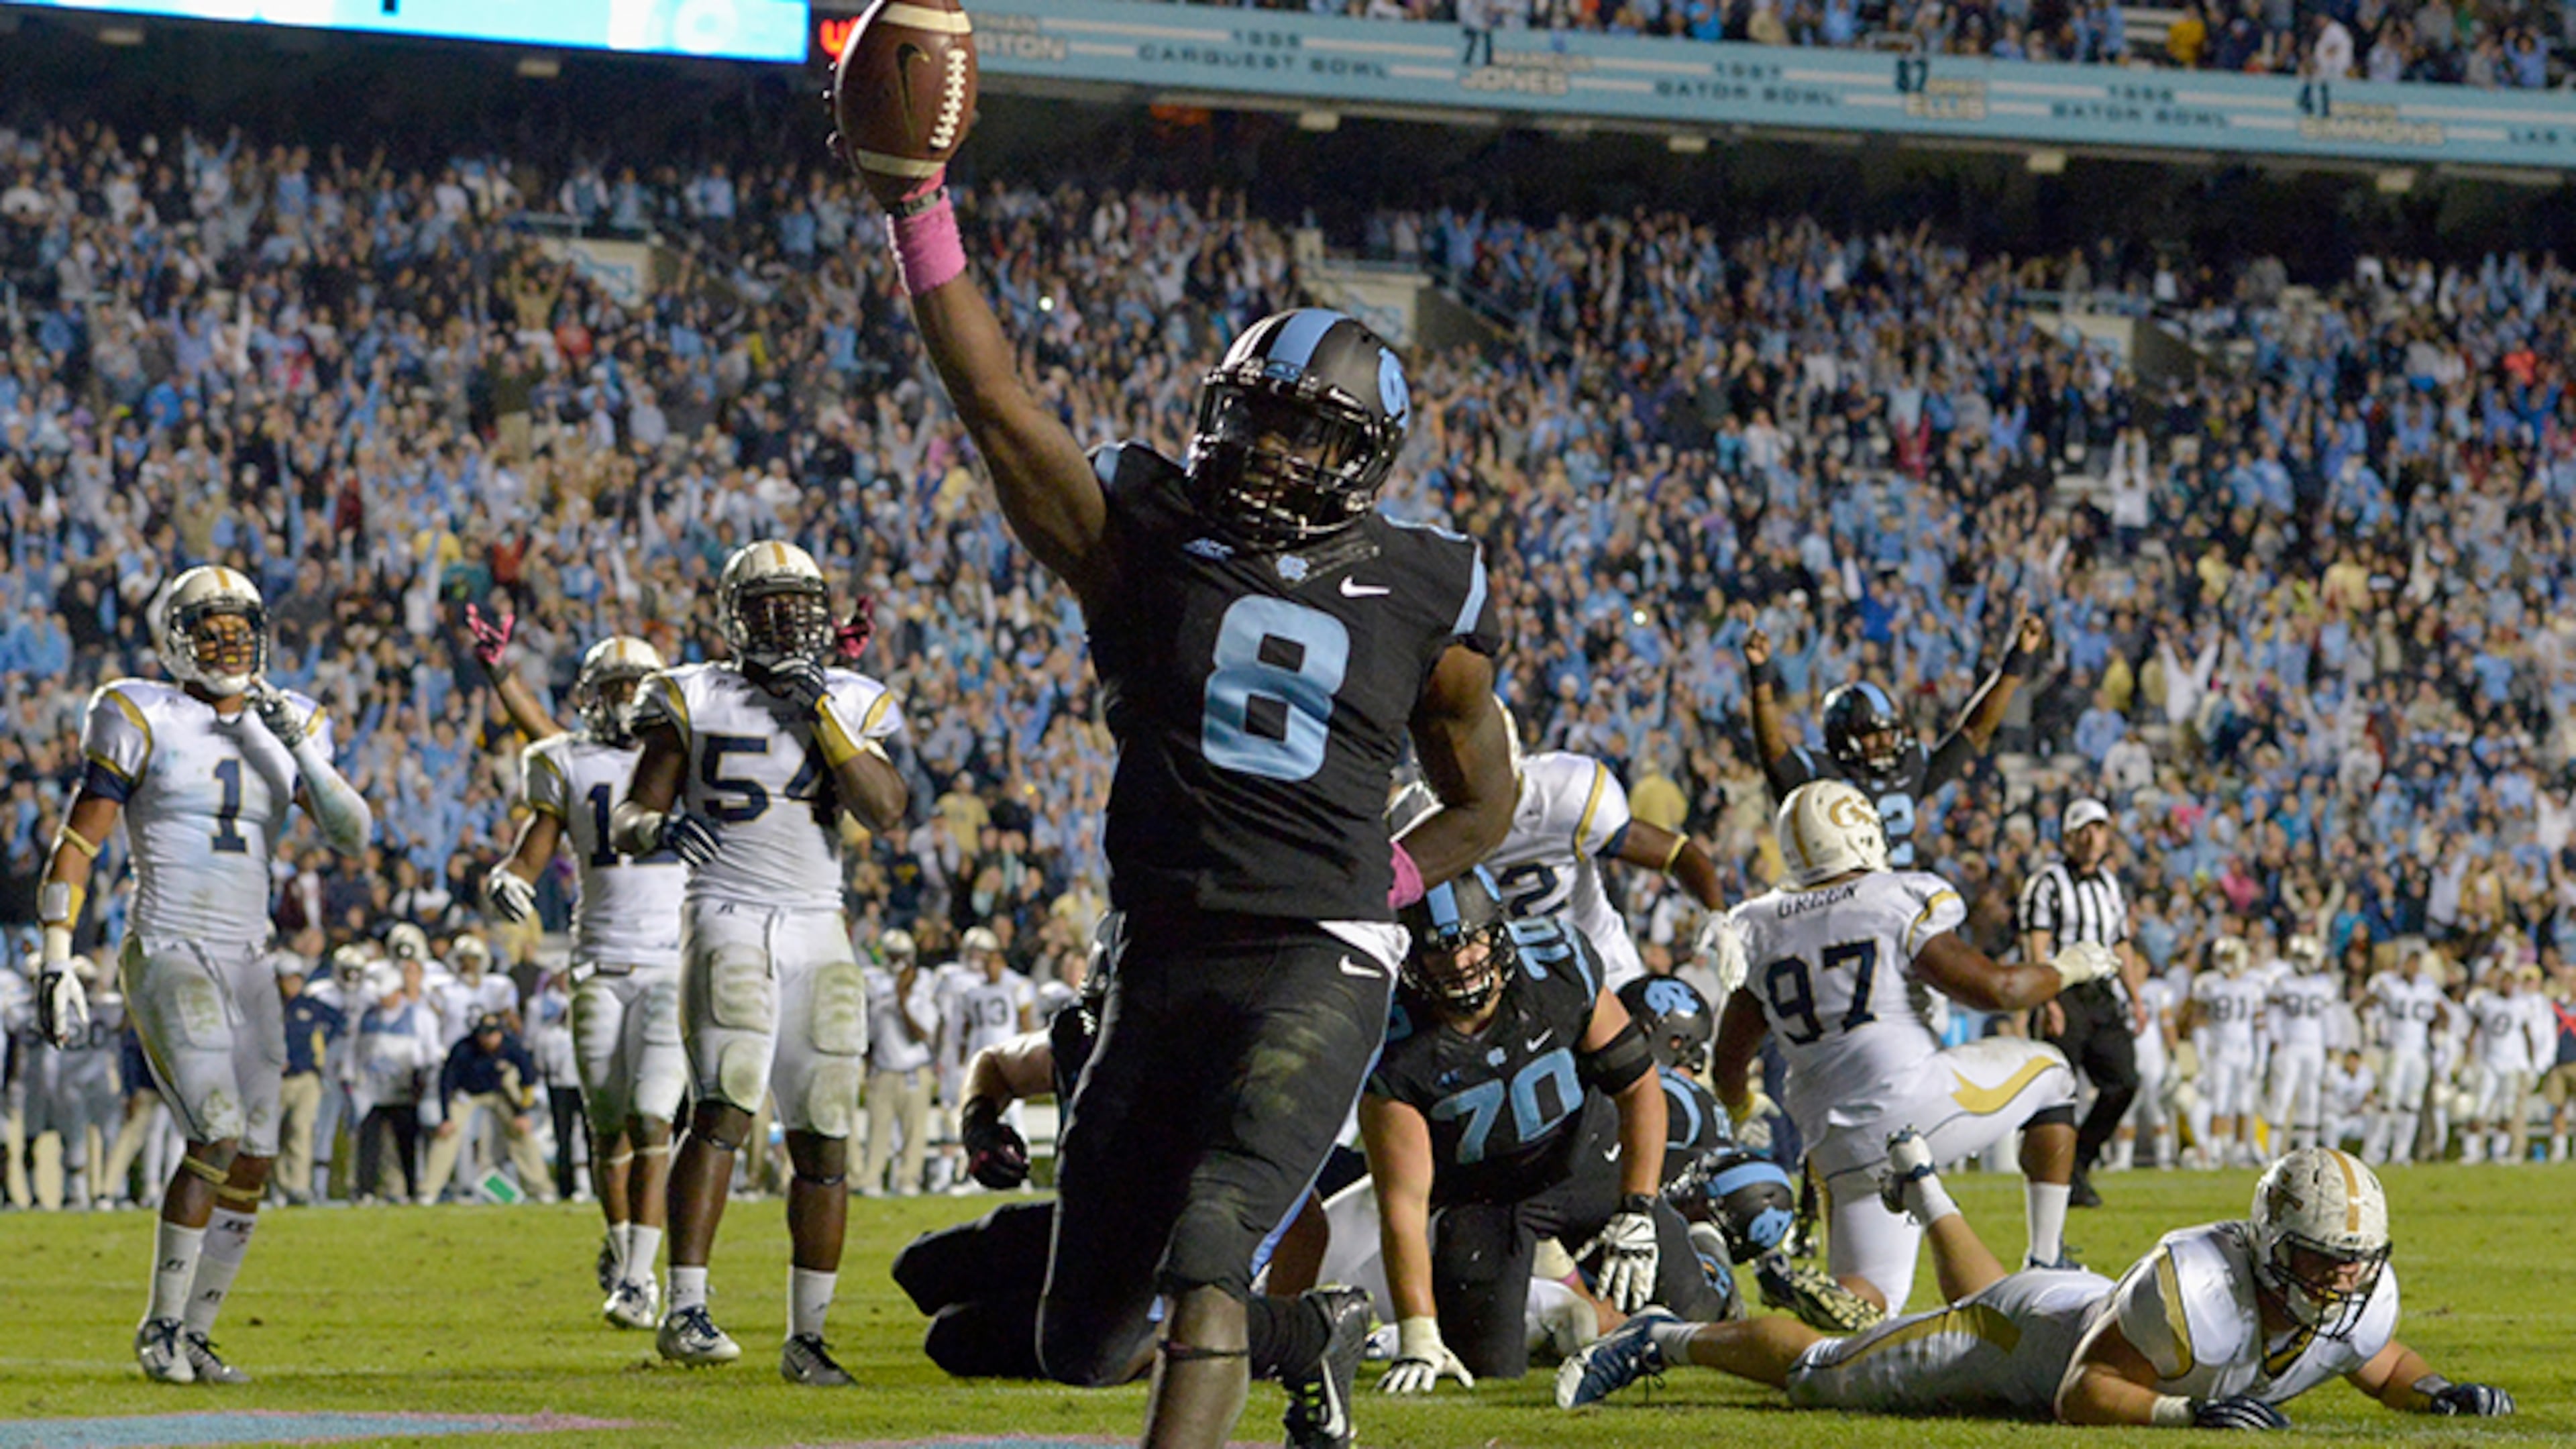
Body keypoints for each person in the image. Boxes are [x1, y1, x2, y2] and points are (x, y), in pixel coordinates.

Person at [845, 87, 1518, 1448]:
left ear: (1363, 463)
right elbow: (993, 399)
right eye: (1255, 419)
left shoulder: (1423, 587)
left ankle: (1249, 1325)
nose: (1270, 454)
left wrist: (1376, 881)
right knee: (1085, 1338)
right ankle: (1312, 1333)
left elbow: (1486, 799)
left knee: (1213, 1239)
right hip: (1158, 953)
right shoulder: (1142, 537)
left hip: (1314, 955)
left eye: (1304, 435)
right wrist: (919, 205)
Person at [1559, 1142, 2518, 1432]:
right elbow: (2083, 1396)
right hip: (2027, 1345)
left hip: (2077, 1313)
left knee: (1994, 1295)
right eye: (2321, 1258)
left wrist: (2437, 1393)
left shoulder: (2352, 1292)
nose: (2342, 1278)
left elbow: (2377, 1355)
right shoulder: (2196, 1283)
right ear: (2272, 1246)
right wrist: (2190, 1422)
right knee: (1824, 1373)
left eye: (2356, 1259)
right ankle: (1662, 1336)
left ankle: (1926, 1188)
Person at [34, 567, 372, 1384]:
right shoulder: (139, 710)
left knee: (255, 1155)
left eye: (239, 629)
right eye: (210, 629)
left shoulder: (294, 720)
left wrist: (292, 743)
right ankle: (159, 1328)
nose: (228, 643)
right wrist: (56, 955)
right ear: (176, 637)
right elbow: (78, 843)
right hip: (171, 944)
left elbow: (352, 834)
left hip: (250, 959)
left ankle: (197, 1331)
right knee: (216, 1128)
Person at [610, 538, 908, 1384]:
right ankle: (687, 1308)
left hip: (820, 925)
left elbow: (885, 809)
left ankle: (807, 1337)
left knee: (826, 1132)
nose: (785, 619)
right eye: (767, 605)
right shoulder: (694, 692)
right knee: (725, 1104)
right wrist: (657, 831)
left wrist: (823, 711)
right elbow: (635, 809)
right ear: (734, 617)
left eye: (798, 604)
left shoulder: (848, 696)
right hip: (727, 911)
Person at [1715, 781, 2115, 1320]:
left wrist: (1741, 1105)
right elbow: (1999, 991)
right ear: (1859, 834)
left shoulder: (1757, 923)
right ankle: (2047, 1257)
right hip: (1912, 1109)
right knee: (2054, 1071)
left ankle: (1833, 1301)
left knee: (1870, 1302)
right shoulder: (1894, 898)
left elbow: (1728, 1062)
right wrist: (2069, 967)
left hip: (1832, 1146)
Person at [1358, 870, 1737, 1392]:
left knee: (1694, 1309)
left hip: (1585, 1158)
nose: (1461, 961)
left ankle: (1709, 1258)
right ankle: (1567, 1314)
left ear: (1498, 931)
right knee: (1488, 1366)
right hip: (1482, 1200)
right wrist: (1418, 1332)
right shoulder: (1390, 1035)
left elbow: (1638, 1087)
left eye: (1471, 940)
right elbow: (1402, 1201)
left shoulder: (1556, 968)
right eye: (1438, 950)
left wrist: (1638, 1208)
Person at [480, 633, 688, 1328]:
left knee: (653, 1111)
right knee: (608, 1127)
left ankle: (637, 1279)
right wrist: (508, 881)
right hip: (598, 960)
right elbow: (529, 853)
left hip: (670, 959)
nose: (626, 700)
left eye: (637, 687)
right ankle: (623, 1244)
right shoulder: (563, 761)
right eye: (615, 686)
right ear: (592, 695)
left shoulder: (693, 760)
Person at [1743, 615, 2047, 865]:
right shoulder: (1822, 775)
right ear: (1842, 738)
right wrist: (1760, 676)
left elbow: (1974, 732)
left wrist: (2017, 661)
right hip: (1843, 906)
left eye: (1888, 732)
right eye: (1873, 735)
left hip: (1898, 899)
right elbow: (1773, 750)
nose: (1885, 743)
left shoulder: (1909, 765)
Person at [2020, 798, 2150, 1206]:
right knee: (2060, 1090)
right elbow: (2036, 944)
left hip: (2102, 993)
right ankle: (2056, 1180)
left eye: (2100, 829)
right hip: (2065, 990)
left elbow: (2121, 944)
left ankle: (2080, 1162)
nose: (2094, 838)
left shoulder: (2111, 884)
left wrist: (2136, 997)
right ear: (2069, 836)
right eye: (2085, 830)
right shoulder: (2047, 882)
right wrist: (2048, 999)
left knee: (2124, 1081)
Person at [423, 1012, 552, 1199]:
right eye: (484, 1034)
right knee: (447, 1135)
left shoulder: (512, 1047)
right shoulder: (464, 1048)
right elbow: (446, 1083)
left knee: (522, 1134)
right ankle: (429, 1191)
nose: (488, 1039)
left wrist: (523, 1113)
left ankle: (542, 1189)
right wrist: (446, 1118)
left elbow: (528, 1080)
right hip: (467, 1093)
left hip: (501, 1093)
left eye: (493, 1034)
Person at [860, 929, 938, 1197]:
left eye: (901, 956)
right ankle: (872, 1178)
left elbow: (921, 1034)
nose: (897, 962)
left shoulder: (923, 986)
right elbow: (868, 1031)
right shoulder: (873, 982)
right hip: (883, 1069)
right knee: (877, 1133)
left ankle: (908, 1179)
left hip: (914, 1069)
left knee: (914, 1133)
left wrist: (903, 1001)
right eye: (893, 955)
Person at [2361, 949, 2446, 1164]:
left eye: (2416, 962)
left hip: (2418, 1051)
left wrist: (2436, 1035)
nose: (2412, 967)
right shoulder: (2388, 983)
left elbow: (2443, 1014)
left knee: (2412, 1104)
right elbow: (2363, 1005)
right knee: (2388, 1102)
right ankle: (2374, 1153)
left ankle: (2401, 1153)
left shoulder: (2427, 987)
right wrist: (2371, 1029)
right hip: (2396, 1049)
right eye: (2409, 962)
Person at [274, 958, 345, 1207]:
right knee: (273, 1135)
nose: (292, 984)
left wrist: (320, 1048)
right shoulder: (268, 1007)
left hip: (306, 1076)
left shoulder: (312, 1007)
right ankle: (280, 1185)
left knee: (301, 1131)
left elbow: (339, 1021)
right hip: (275, 1079)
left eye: (296, 978)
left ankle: (299, 1186)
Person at [2262, 934, 2341, 1155]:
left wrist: (2332, 1052)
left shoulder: (2323, 985)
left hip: (2314, 1047)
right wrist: (2276, 1043)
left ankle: (2307, 1154)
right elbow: (2273, 1016)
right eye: (2299, 957)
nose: (2303, 962)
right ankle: (2272, 1152)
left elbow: (2330, 1021)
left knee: (2311, 1100)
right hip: (2289, 1046)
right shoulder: (2281, 981)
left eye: (2306, 957)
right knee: (2281, 1098)